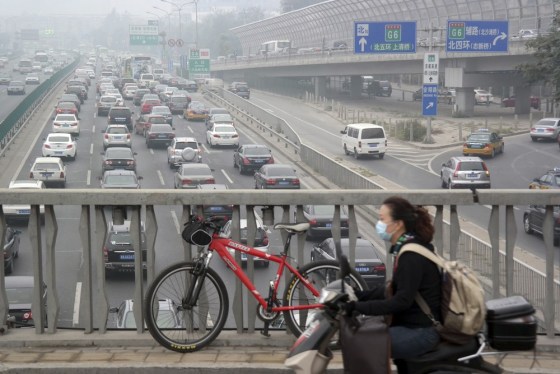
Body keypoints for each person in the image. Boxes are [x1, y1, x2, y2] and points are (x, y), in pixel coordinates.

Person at [345, 196, 441, 360]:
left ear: (397, 224)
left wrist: (356, 307)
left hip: (423, 331)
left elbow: (400, 301)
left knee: (364, 344)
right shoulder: (407, 247)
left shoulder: (411, 255)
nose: (379, 224)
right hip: (412, 326)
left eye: (382, 219)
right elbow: (392, 288)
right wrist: (357, 295)